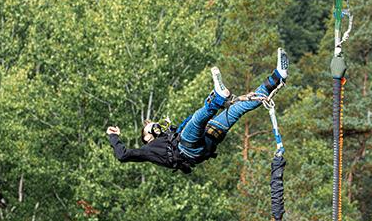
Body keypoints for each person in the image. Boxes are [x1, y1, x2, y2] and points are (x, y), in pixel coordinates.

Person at [107, 48, 289, 174]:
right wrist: (114, 136)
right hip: (188, 149)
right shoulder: (149, 149)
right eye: (151, 129)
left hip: (207, 141)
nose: (156, 127)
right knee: (196, 121)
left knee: (237, 109)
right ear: (147, 137)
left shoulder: (170, 133)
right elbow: (122, 156)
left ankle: (277, 77)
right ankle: (217, 98)